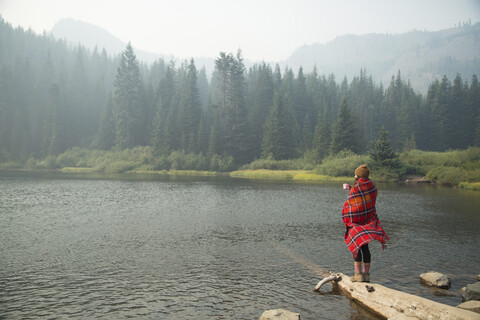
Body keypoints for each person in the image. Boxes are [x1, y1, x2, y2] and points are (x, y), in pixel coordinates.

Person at [342, 164, 389, 283]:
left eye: (356, 174)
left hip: (356, 223)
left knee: (356, 246)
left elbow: (352, 205)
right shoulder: (372, 187)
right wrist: (351, 187)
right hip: (368, 221)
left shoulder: (356, 188)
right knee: (365, 248)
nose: (355, 176)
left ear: (358, 176)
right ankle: (366, 275)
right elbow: (366, 199)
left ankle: (358, 275)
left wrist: (351, 189)